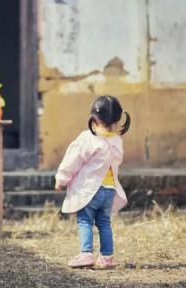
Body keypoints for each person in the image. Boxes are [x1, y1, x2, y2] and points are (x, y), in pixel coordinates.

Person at [55, 95, 131, 269]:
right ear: (119, 119)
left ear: (94, 119)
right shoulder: (116, 141)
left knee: (84, 221)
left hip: (89, 190)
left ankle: (86, 254)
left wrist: (62, 179)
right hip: (109, 190)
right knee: (104, 223)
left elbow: (72, 160)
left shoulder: (87, 138)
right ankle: (107, 257)